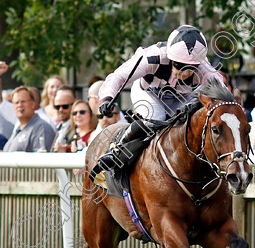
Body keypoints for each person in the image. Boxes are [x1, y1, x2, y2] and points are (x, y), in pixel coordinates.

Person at [94, 25, 225, 172]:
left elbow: (222, 92)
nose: (184, 72)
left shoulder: (204, 69)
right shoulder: (150, 57)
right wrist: (107, 97)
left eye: (191, 67)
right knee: (156, 116)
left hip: (181, 98)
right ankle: (117, 151)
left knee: (192, 120)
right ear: (169, 58)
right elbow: (119, 76)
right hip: (148, 92)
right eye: (179, 65)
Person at [3, 86, 55, 152]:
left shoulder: (41, 127)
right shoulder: (18, 129)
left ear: (33, 104)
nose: (20, 105)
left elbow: (40, 159)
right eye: (16, 102)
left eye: (23, 101)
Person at [51, 86, 76, 151]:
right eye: (57, 107)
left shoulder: (78, 126)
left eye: (65, 106)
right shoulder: (58, 127)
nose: (60, 110)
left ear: (74, 104)